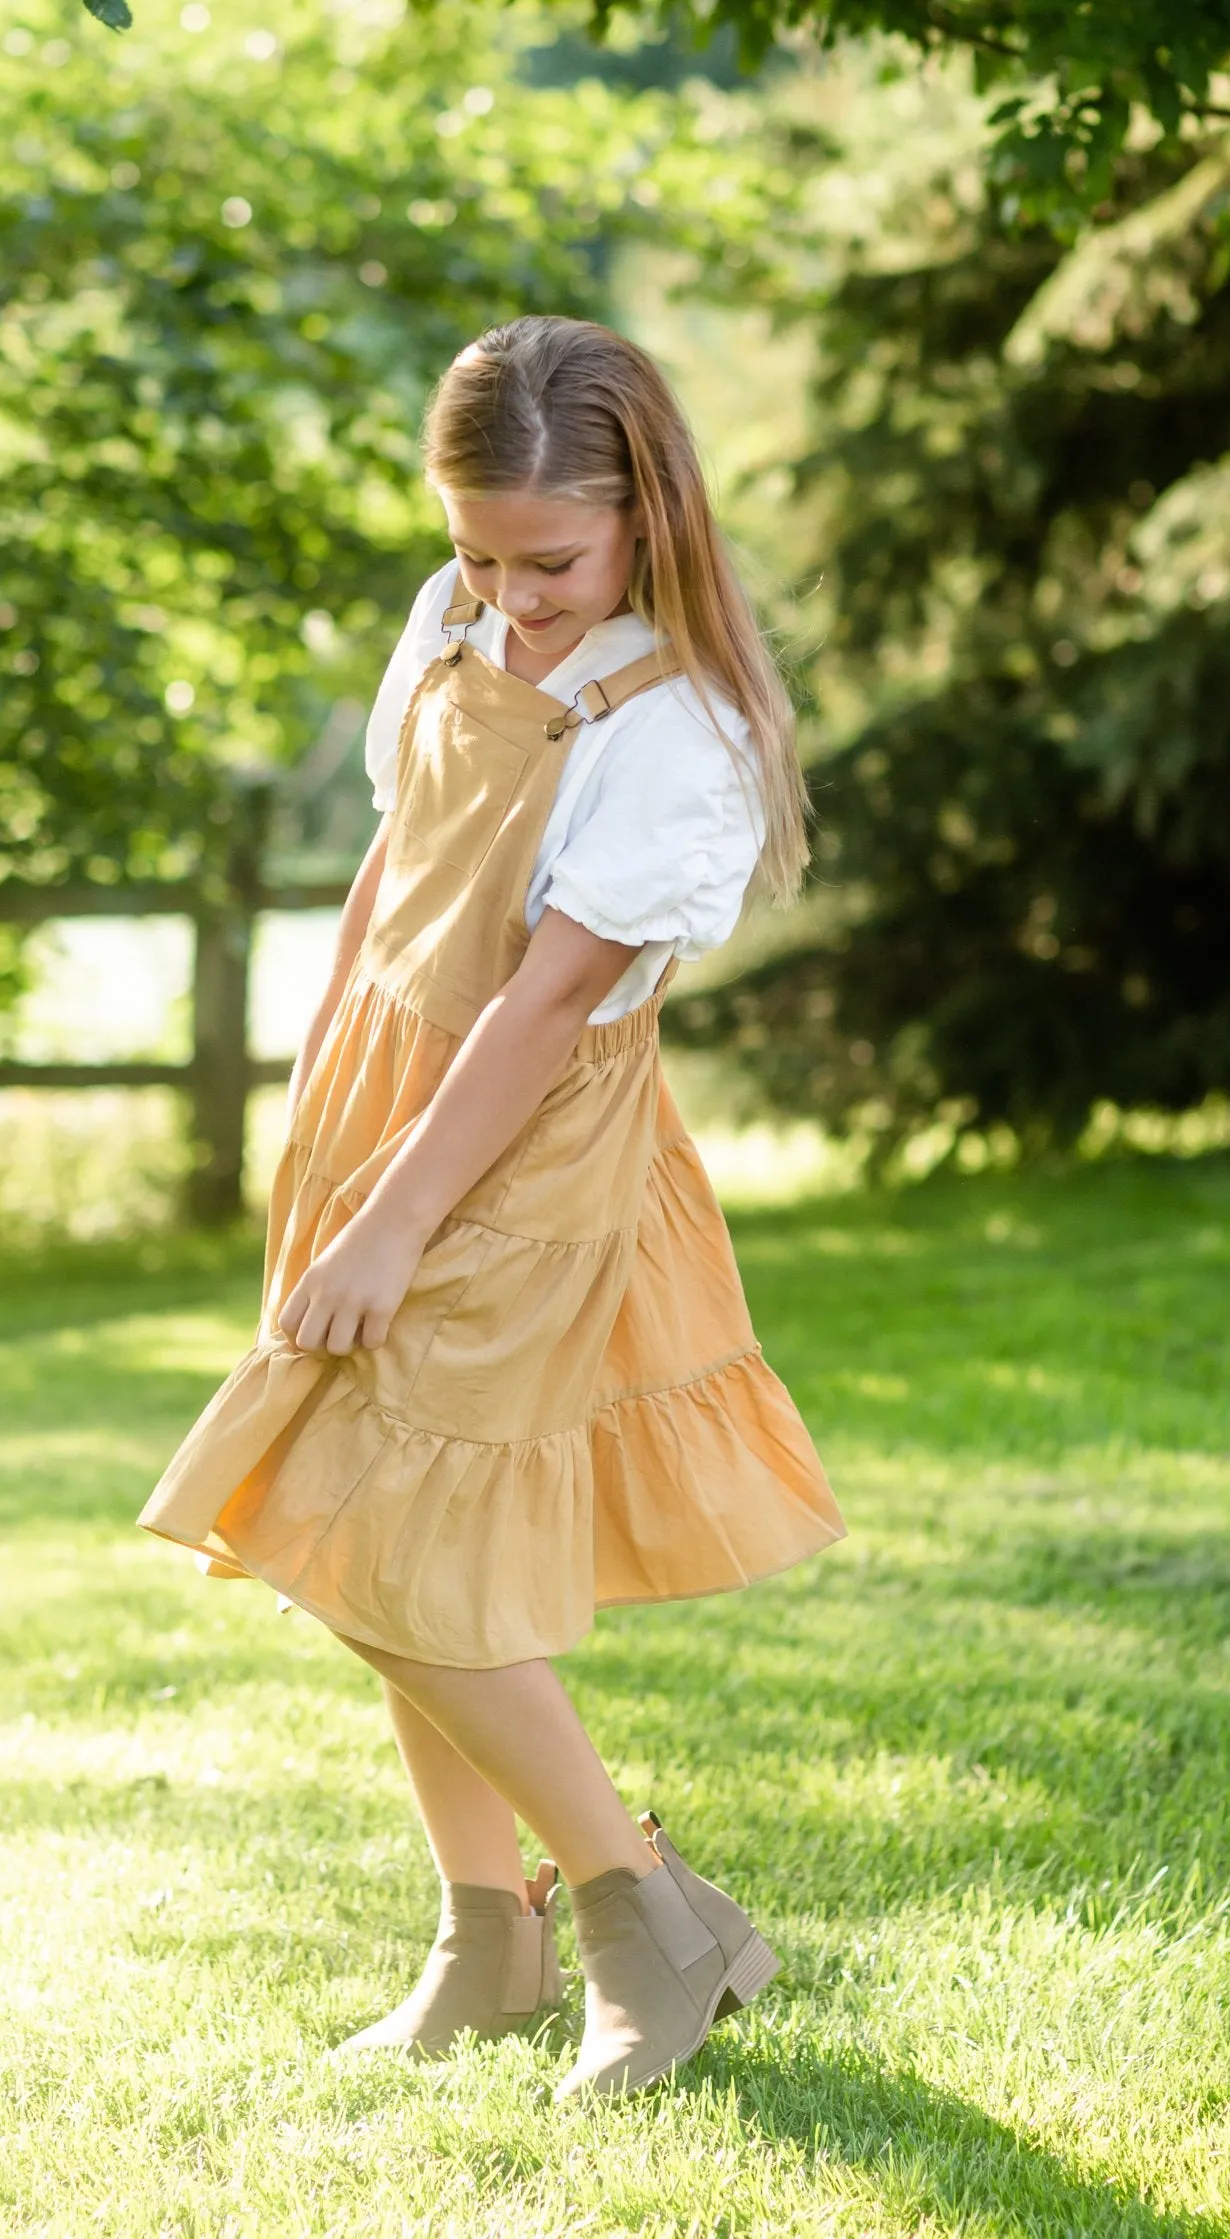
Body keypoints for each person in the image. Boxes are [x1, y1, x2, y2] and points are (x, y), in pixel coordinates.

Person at [139, 315, 845, 2100]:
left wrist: (393, 1217)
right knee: (370, 1527)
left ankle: (637, 1912)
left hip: (513, 1143)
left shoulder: (673, 723)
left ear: (646, 519)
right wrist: (324, 1097)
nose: (507, 599)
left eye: (551, 561)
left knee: (387, 1525)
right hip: (383, 1090)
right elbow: (396, 850)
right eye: (475, 552)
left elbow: (543, 1003)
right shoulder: (459, 608)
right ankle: (486, 1933)